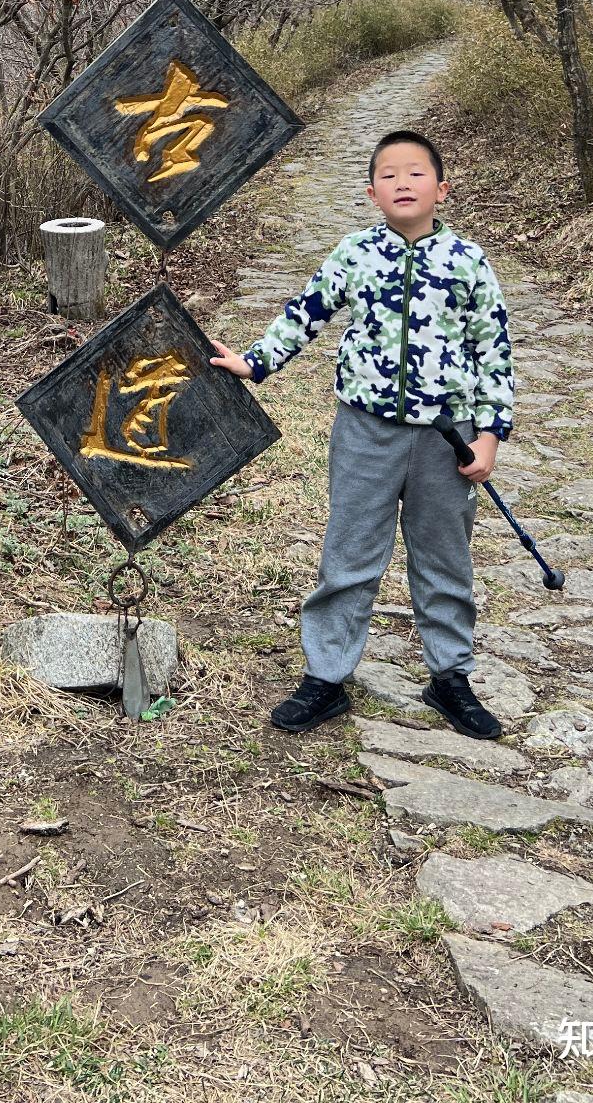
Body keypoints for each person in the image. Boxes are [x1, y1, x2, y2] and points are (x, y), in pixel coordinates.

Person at [210, 128, 514, 740]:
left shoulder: (467, 262)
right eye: (390, 175)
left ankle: (449, 677)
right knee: (349, 552)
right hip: (364, 432)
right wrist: (254, 362)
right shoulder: (356, 252)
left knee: (444, 559)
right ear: (373, 192)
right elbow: (306, 313)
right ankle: (326, 676)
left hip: (444, 438)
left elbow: (493, 351)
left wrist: (490, 436)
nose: (403, 183)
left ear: (442, 189)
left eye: (417, 173)